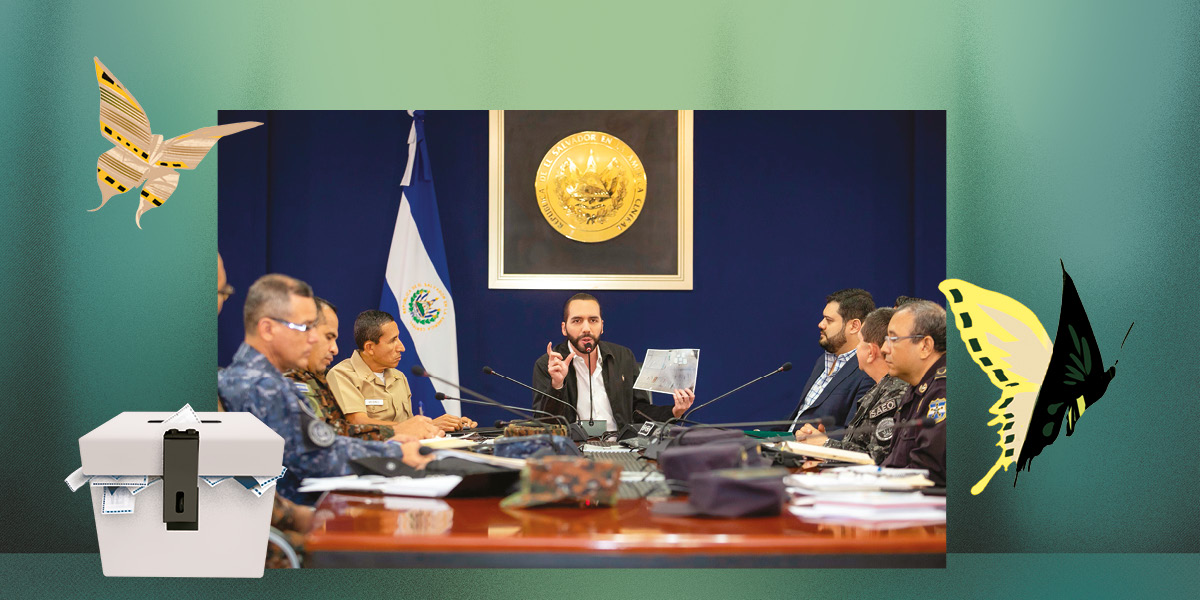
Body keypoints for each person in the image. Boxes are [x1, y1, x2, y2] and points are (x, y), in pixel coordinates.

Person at [218, 274, 432, 504]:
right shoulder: (263, 385)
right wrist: (397, 454)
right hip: (303, 521)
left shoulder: (249, 376)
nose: (312, 339)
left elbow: (325, 441)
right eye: (303, 328)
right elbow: (317, 456)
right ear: (268, 329)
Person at [532, 293, 695, 432]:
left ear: (602, 326)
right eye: (577, 321)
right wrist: (557, 385)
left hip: (621, 445)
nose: (586, 328)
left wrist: (674, 412)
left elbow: (639, 411)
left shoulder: (623, 356)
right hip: (572, 449)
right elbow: (544, 424)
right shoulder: (549, 363)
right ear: (564, 328)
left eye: (593, 320)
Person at [285, 298, 442, 441]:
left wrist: (429, 427)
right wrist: (398, 432)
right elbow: (339, 433)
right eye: (328, 337)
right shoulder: (338, 375)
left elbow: (336, 434)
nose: (335, 349)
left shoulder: (316, 378)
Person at [327, 310, 475, 434]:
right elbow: (357, 422)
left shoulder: (398, 377)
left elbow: (408, 424)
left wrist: (449, 424)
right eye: (393, 340)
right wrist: (429, 425)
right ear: (370, 347)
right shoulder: (342, 375)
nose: (401, 347)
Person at [795, 307, 910, 463]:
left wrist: (824, 445)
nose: (855, 350)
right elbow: (857, 445)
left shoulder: (895, 393)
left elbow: (877, 459)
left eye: (860, 342)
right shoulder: (878, 389)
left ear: (870, 352)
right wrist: (822, 442)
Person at [784, 289, 877, 431]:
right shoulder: (823, 360)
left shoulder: (866, 370)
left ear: (854, 326)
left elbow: (853, 433)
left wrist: (822, 440)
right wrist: (762, 435)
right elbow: (799, 417)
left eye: (829, 320)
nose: (821, 324)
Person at [880, 299, 947, 486]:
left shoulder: (944, 391)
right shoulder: (917, 386)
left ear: (925, 346)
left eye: (893, 339)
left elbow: (927, 474)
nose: (884, 349)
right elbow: (896, 463)